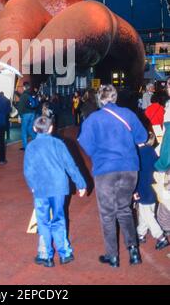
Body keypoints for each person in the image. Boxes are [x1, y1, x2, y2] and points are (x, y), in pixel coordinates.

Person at [78, 84, 148, 268]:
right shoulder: (128, 114)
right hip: (129, 168)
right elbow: (142, 138)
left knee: (108, 213)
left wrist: (98, 155)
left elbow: (84, 142)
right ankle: (133, 251)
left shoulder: (93, 119)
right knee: (124, 209)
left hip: (105, 170)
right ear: (115, 97)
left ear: (100, 99)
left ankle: (113, 256)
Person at [24, 116, 86, 267]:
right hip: (59, 187)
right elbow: (70, 166)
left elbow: (28, 170)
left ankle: (46, 256)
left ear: (34, 129)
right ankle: (65, 254)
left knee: (43, 221)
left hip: (40, 188)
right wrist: (81, 184)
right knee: (59, 218)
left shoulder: (31, 146)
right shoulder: (59, 144)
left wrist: (32, 184)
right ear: (51, 128)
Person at [134, 132, 169, 250]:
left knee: (147, 214)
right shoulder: (151, 151)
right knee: (147, 212)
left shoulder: (137, 154)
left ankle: (160, 237)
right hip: (153, 187)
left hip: (142, 188)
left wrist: (134, 189)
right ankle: (140, 233)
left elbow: (135, 174)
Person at [17, 82, 37, 151]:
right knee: (30, 129)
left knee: (24, 131)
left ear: (24, 87)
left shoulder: (23, 95)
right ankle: (38, 140)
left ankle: (25, 146)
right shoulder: (31, 94)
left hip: (26, 114)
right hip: (33, 113)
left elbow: (20, 106)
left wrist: (19, 116)